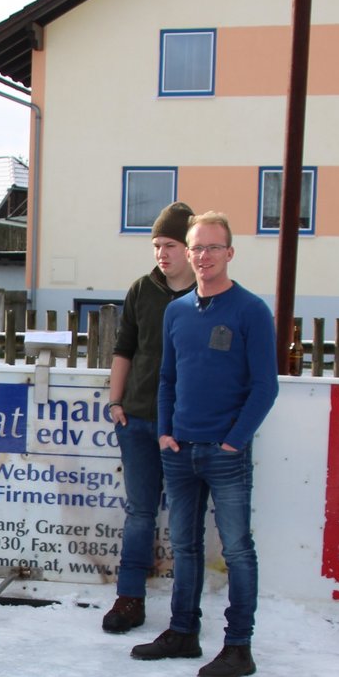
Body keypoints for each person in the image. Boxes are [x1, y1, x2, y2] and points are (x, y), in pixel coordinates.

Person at [131, 211, 278, 677]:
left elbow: (265, 386)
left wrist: (235, 441)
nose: (204, 256)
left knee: (237, 550)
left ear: (229, 253)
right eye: (197, 247)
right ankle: (182, 632)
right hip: (179, 451)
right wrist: (166, 432)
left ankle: (238, 647)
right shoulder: (177, 311)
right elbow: (167, 378)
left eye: (213, 247)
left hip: (225, 453)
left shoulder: (251, 310)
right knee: (185, 546)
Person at [103, 200, 195, 634]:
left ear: (189, 247)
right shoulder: (142, 289)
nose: (162, 253)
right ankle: (129, 598)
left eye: (170, 245)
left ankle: (185, 609)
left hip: (184, 426)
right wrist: (115, 403)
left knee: (185, 518)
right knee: (140, 512)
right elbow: (124, 348)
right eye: (157, 245)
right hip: (137, 419)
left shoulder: (206, 294)